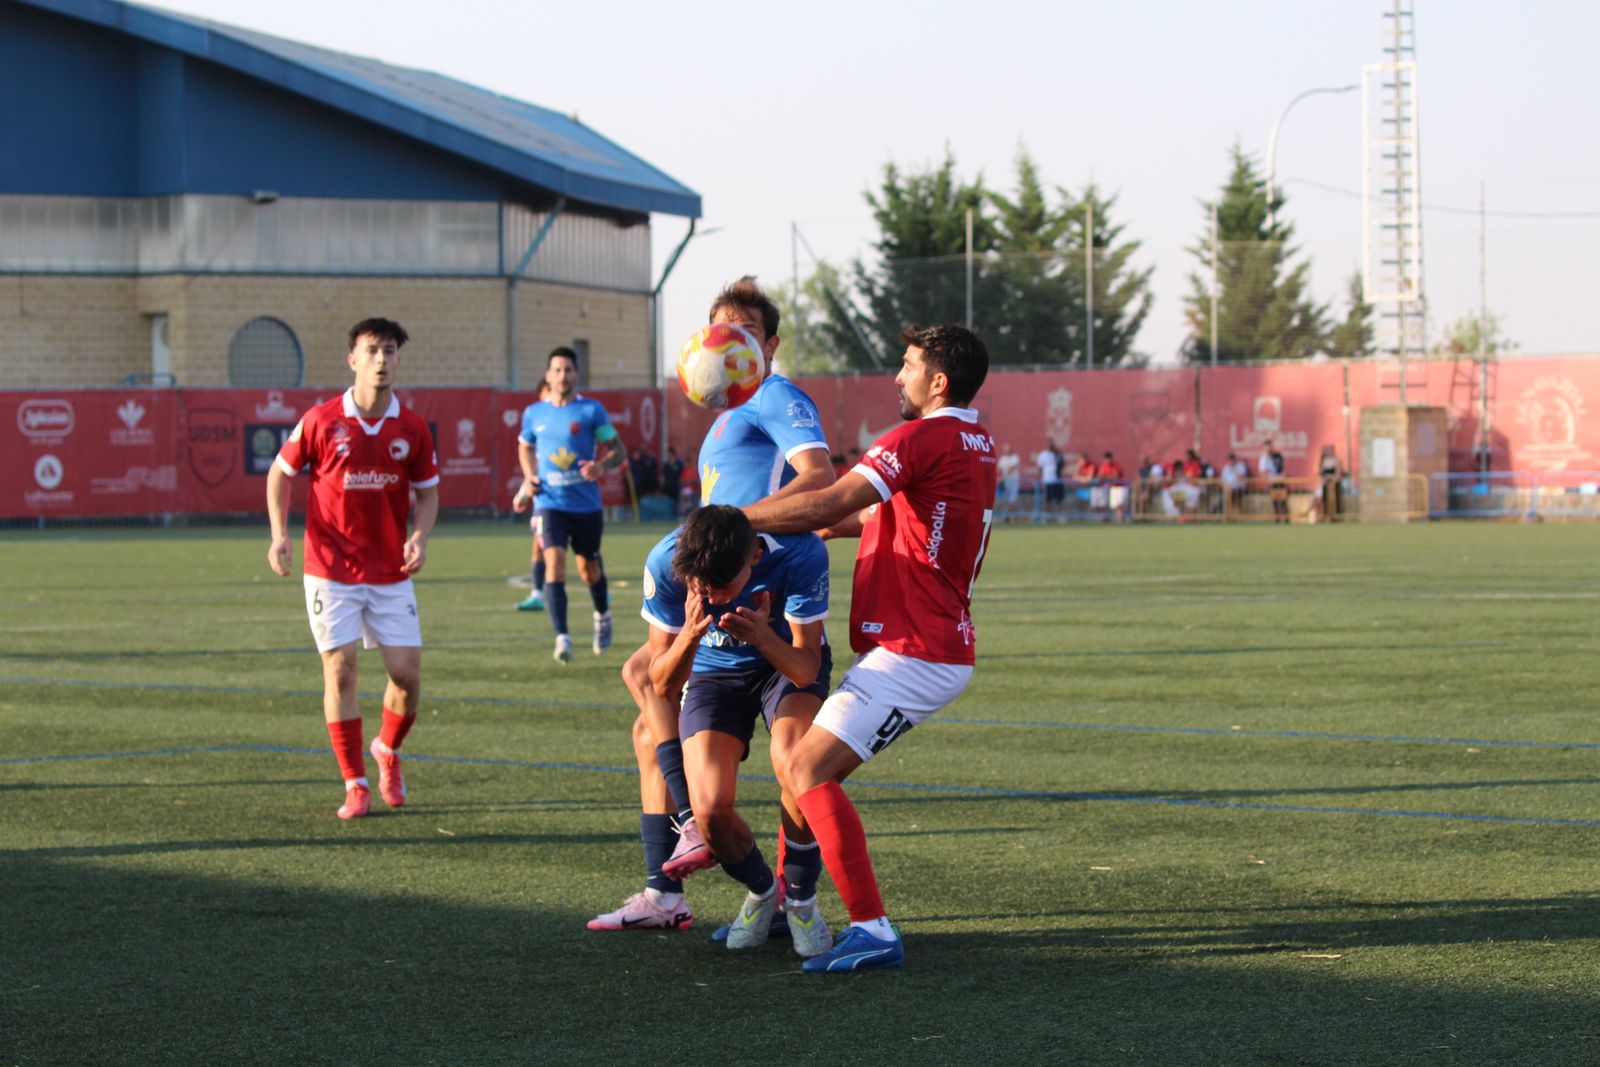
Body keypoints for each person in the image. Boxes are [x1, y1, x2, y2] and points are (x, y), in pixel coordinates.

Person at [743, 323, 997, 973]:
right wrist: (824, 524)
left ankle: (873, 928)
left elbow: (831, 497)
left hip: (917, 650)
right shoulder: (974, 440)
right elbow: (870, 514)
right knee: (803, 771)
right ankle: (788, 903)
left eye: (908, 364)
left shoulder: (920, 436)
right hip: (930, 641)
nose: (897, 376)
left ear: (938, 381)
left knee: (805, 770)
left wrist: (735, 518)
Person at [590, 276, 835, 936]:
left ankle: (776, 888)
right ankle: (671, 880)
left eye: (746, 334)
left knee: (787, 759)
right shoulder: (729, 418)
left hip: (773, 608)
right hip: (724, 611)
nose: (729, 345)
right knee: (648, 701)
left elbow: (820, 482)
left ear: (771, 345)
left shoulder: (774, 394)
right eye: (719, 331)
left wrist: (737, 525)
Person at [636, 505, 834, 956]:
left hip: (781, 665)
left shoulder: (801, 553)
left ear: (754, 559)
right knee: (708, 810)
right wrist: (688, 636)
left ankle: (801, 900)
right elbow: (662, 683)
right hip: (712, 675)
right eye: (703, 588)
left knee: (796, 762)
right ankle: (765, 892)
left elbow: (805, 669)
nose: (713, 597)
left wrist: (763, 637)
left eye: (723, 588)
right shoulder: (666, 561)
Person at [265, 318, 439, 820]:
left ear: (398, 360)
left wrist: (419, 537)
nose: (382, 359)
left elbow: (428, 494)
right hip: (330, 570)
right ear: (353, 360)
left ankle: (387, 749)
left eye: (389, 351)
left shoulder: (412, 428)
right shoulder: (321, 420)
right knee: (340, 672)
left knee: (406, 676)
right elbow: (280, 475)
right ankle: (355, 782)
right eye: (372, 350)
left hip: (389, 569)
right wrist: (279, 534)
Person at [517, 347, 624, 662]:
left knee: (589, 570)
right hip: (550, 503)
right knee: (554, 564)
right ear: (548, 375)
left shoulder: (591, 411)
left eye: (568, 370)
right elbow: (525, 447)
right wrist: (528, 476)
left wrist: (601, 467)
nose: (563, 376)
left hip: (586, 506)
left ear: (576, 374)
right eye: (557, 370)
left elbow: (618, 450)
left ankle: (602, 615)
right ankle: (562, 637)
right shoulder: (534, 413)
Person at [512, 380, 551, 612]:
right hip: (544, 500)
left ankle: (599, 590)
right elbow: (534, 470)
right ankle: (537, 594)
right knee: (539, 545)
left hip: (565, 500)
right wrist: (524, 493)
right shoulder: (538, 424)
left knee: (583, 557)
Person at [1259, 438, 1288, 524]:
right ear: (1264, 448)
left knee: (1283, 500)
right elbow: (1263, 472)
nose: (1269, 448)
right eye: (1267, 447)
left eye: (1270, 446)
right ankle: (1277, 519)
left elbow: (1283, 467)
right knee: (1275, 501)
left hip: (1280, 481)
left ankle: (1286, 519)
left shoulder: (1278, 456)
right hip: (1272, 483)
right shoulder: (1263, 459)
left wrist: (1282, 475)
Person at [1035, 439, 1063, 517]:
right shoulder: (1043, 455)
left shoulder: (1057, 454)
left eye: (1052, 444)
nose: (1050, 446)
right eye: (1049, 444)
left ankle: (1059, 516)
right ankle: (1045, 515)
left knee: (1058, 499)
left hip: (1057, 480)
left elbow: (1062, 464)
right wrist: (1041, 478)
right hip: (1048, 480)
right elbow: (1040, 468)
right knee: (1047, 499)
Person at [1317, 444, 1342, 522]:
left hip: (1334, 484)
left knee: (1335, 501)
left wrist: (1332, 478)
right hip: (1325, 484)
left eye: (1329, 450)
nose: (1328, 452)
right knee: (1324, 500)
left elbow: (1338, 473)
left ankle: (1335, 517)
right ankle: (1324, 516)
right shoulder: (1323, 461)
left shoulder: (1336, 460)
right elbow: (1320, 473)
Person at [996, 443, 1022, 521]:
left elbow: (1012, 468)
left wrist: (1005, 474)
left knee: (1012, 500)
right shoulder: (1002, 458)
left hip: (1013, 481)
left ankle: (1010, 517)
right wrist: (1000, 477)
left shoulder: (1015, 457)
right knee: (1004, 499)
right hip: (1005, 482)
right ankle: (1006, 516)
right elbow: (999, 469)